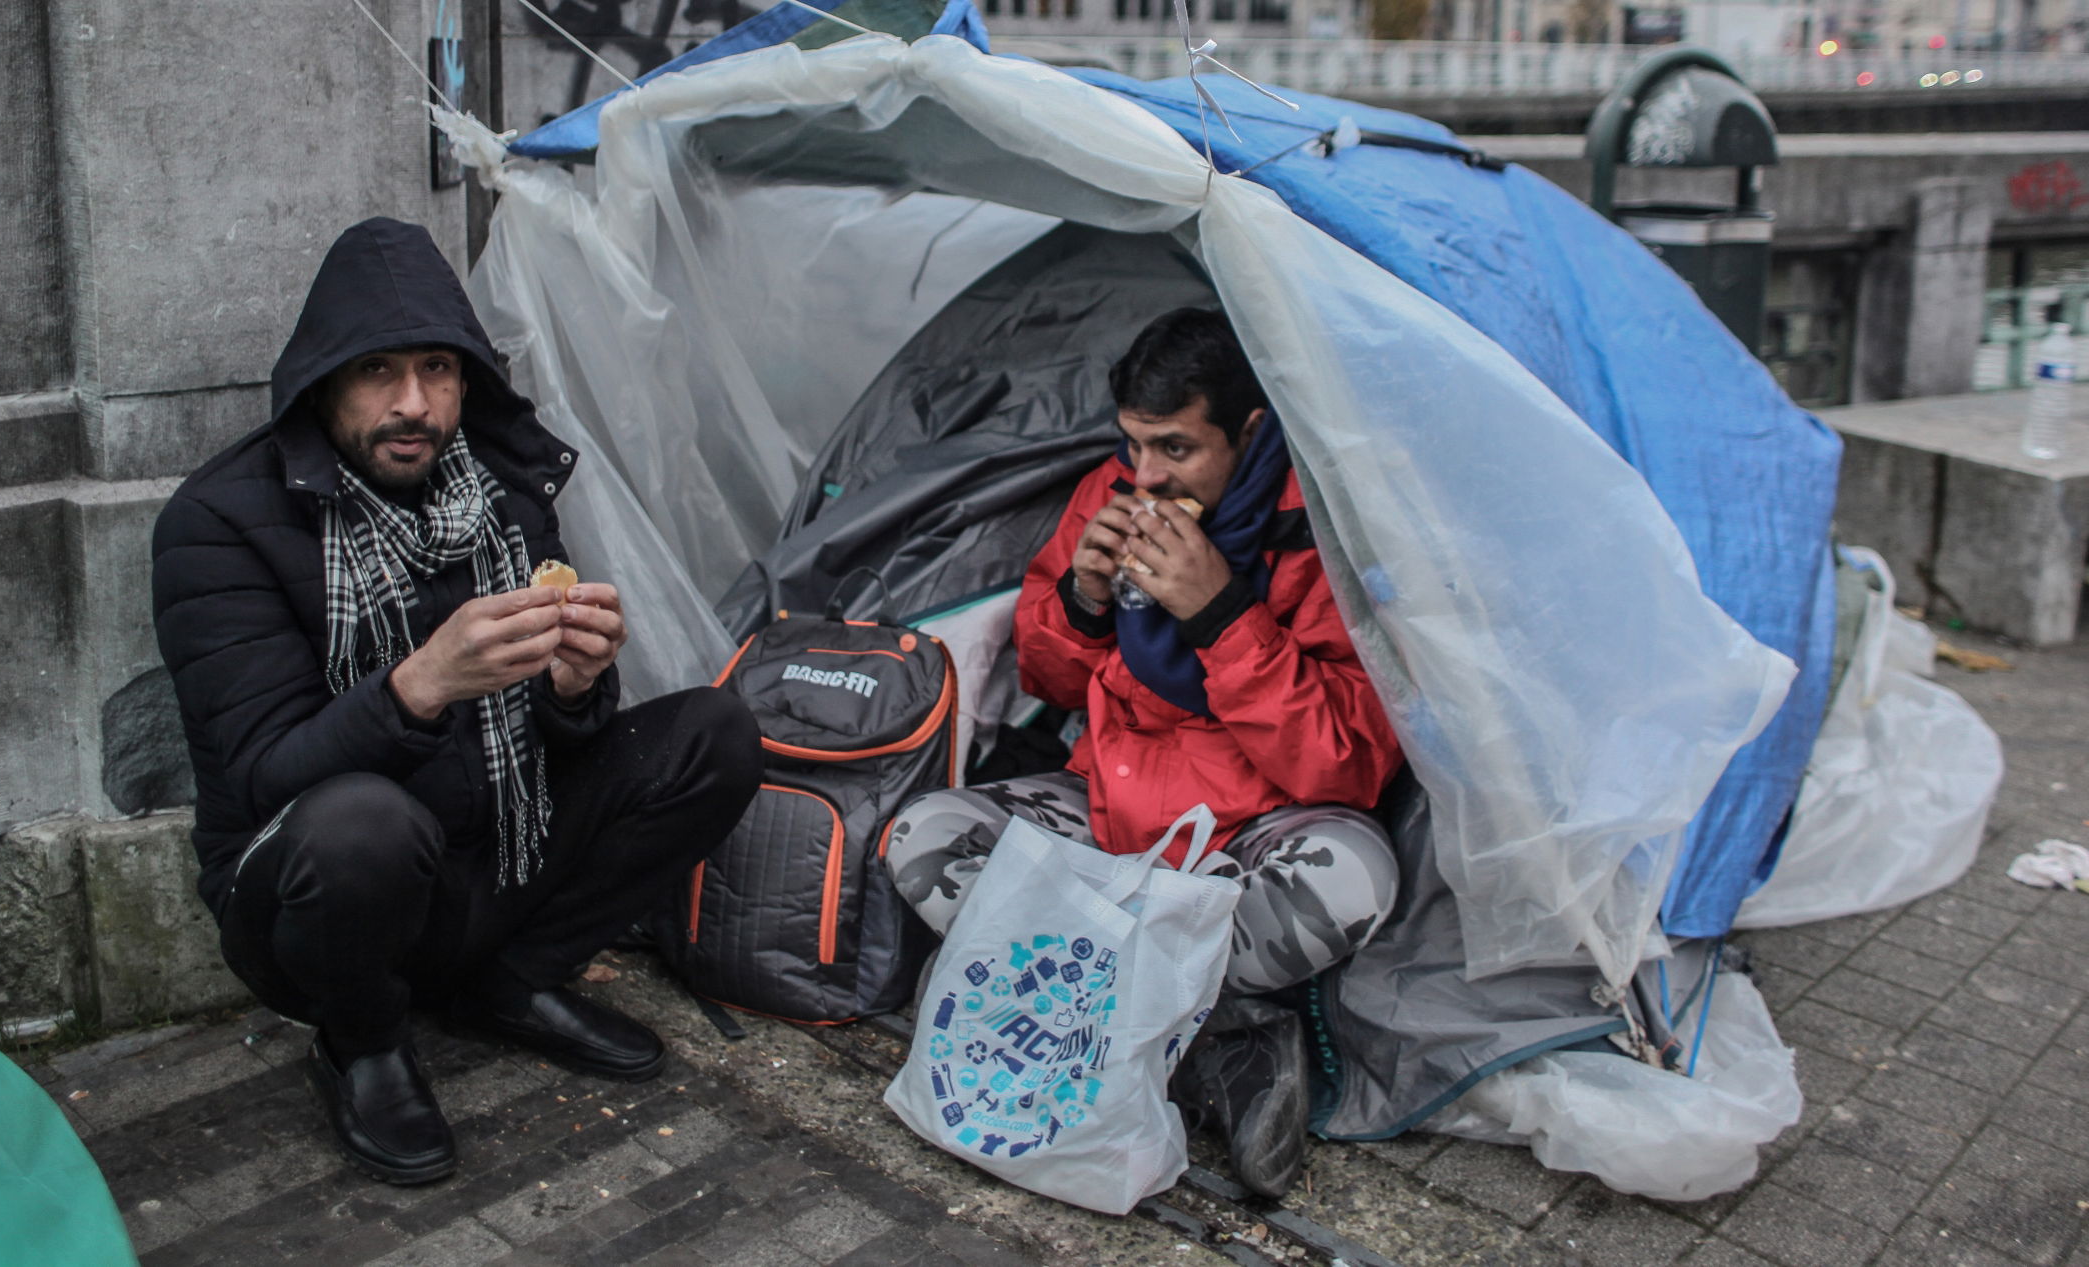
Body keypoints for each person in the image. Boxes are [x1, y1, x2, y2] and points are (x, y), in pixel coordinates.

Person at [152, 218, 761, 1185]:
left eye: (438, 369)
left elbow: (561, 744)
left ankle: (507, 980)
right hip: (316, 899)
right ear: (324, 382)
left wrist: (573, 687)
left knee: (715, 732)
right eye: (378, 372)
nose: (414, 404)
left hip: (491, 859)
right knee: (360, 824)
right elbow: (267, 776)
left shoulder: (502, 495)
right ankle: (366, 1043)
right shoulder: (219, 524)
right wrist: (423, 682)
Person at [882, 308, 1403, 1197]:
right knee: (923, 837)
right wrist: (1083, 598)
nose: (1147, 477)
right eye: (1134, 446)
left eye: (1174, 448)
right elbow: (1047, 679)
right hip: (1110, 807)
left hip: (1249, 833)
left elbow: (1347, 763)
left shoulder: (1323, 531)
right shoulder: (1109, 495)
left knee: (1354, 877)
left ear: (1249, 428)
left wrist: (1222, 617)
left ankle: (1052, 993)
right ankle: (1220, 1043)